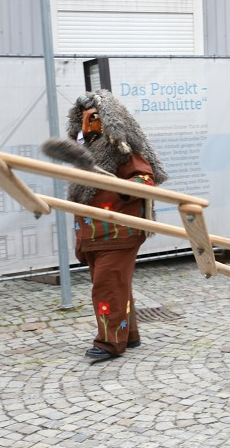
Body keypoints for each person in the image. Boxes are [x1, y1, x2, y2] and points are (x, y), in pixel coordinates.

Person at [41, 92, 169, 364]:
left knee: (107, 288)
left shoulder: (122, 150)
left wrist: (119, 187)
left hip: (118, 233)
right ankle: (128, 334)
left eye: (95, 117)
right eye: (84, 116)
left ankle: (110, 342)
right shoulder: (87, 150)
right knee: (116, 286)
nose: (88, 123)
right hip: (95, 234)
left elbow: (145, 181)